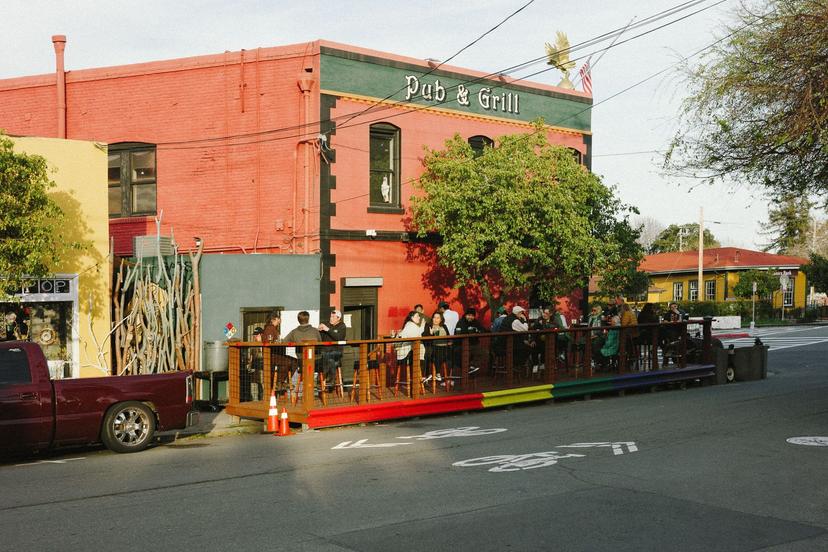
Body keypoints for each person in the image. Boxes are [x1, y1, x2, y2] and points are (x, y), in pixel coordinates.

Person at [318, 309, 347, 389]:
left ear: (338, 318)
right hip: (325, 352)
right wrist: (319, 330)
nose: (331, 318)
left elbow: (339, 337)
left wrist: (328, 330)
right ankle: (330, 380)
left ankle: (324, 378)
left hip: (336, 352)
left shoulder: (342, 326)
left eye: (333, 317)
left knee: (328, 356)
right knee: (329, 358)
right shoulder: (327, 324)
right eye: (331, 316)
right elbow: (321, 339)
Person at [454, 308, 487, 373]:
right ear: (465, 315)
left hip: (474, 345)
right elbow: (458, 333)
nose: (470, 317)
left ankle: (472, 366)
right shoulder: (461, 322)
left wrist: (478, 331)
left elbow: (483, 330)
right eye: (469, 315)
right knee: (464, 354)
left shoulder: (476, 322)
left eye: (472, 316)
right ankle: (468, 369)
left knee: (484, 353)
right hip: (461, 345)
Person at [422, 311, 451, 384]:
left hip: (445, 349)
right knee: (437, 353)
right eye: (434, 317)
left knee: (451, 354)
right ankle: (437, 373)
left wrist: (449, 342)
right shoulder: (429, 326)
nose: (435, 319)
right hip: (433, 349)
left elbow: (448, 337)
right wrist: (431, 334)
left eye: (438, 318)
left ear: (441, 319)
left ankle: (448, 379)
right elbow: (424, 338)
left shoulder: (444, 326)